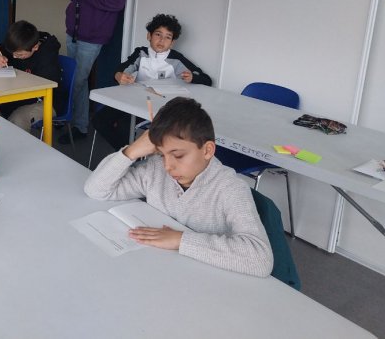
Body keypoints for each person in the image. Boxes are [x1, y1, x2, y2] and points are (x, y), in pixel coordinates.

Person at [84, 97, 273, 277]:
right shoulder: (155, 170)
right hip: (158, 271)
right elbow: (97, 190)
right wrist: (131, 151)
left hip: (205, 282)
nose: (168, 166)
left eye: (178, 155)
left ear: (207, 150)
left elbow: (261, 259)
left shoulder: (230, 188)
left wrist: (179, 240)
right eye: (162, 154)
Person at [52, 0, 130, 144]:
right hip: (76, 32)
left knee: (76, 81)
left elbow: (116, 1)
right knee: (78, 80)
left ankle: (68, 120)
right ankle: (79, 124)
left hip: (92, 36)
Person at [93, 13, 212, 150]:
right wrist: (119, 75)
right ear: (149, 36)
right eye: (158, 34)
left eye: (168, 37)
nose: (162, 40)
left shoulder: (177, 59)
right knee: (99, 120)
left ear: (172, 42)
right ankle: (129, 154)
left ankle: (129, 155)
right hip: (133, 100)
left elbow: (206, 79)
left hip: (158, 108)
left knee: (125, 126)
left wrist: (193, 77)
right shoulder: (141, 53)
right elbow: (123, 68)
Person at [0, 20, 66, 131]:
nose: (14, 56)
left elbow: (43, 89)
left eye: (19, 54)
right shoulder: (20, 43)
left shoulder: (47, 58)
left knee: (17, 119)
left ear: (35, 47)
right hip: (19, 95)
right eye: (12, 53)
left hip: (47, 101)